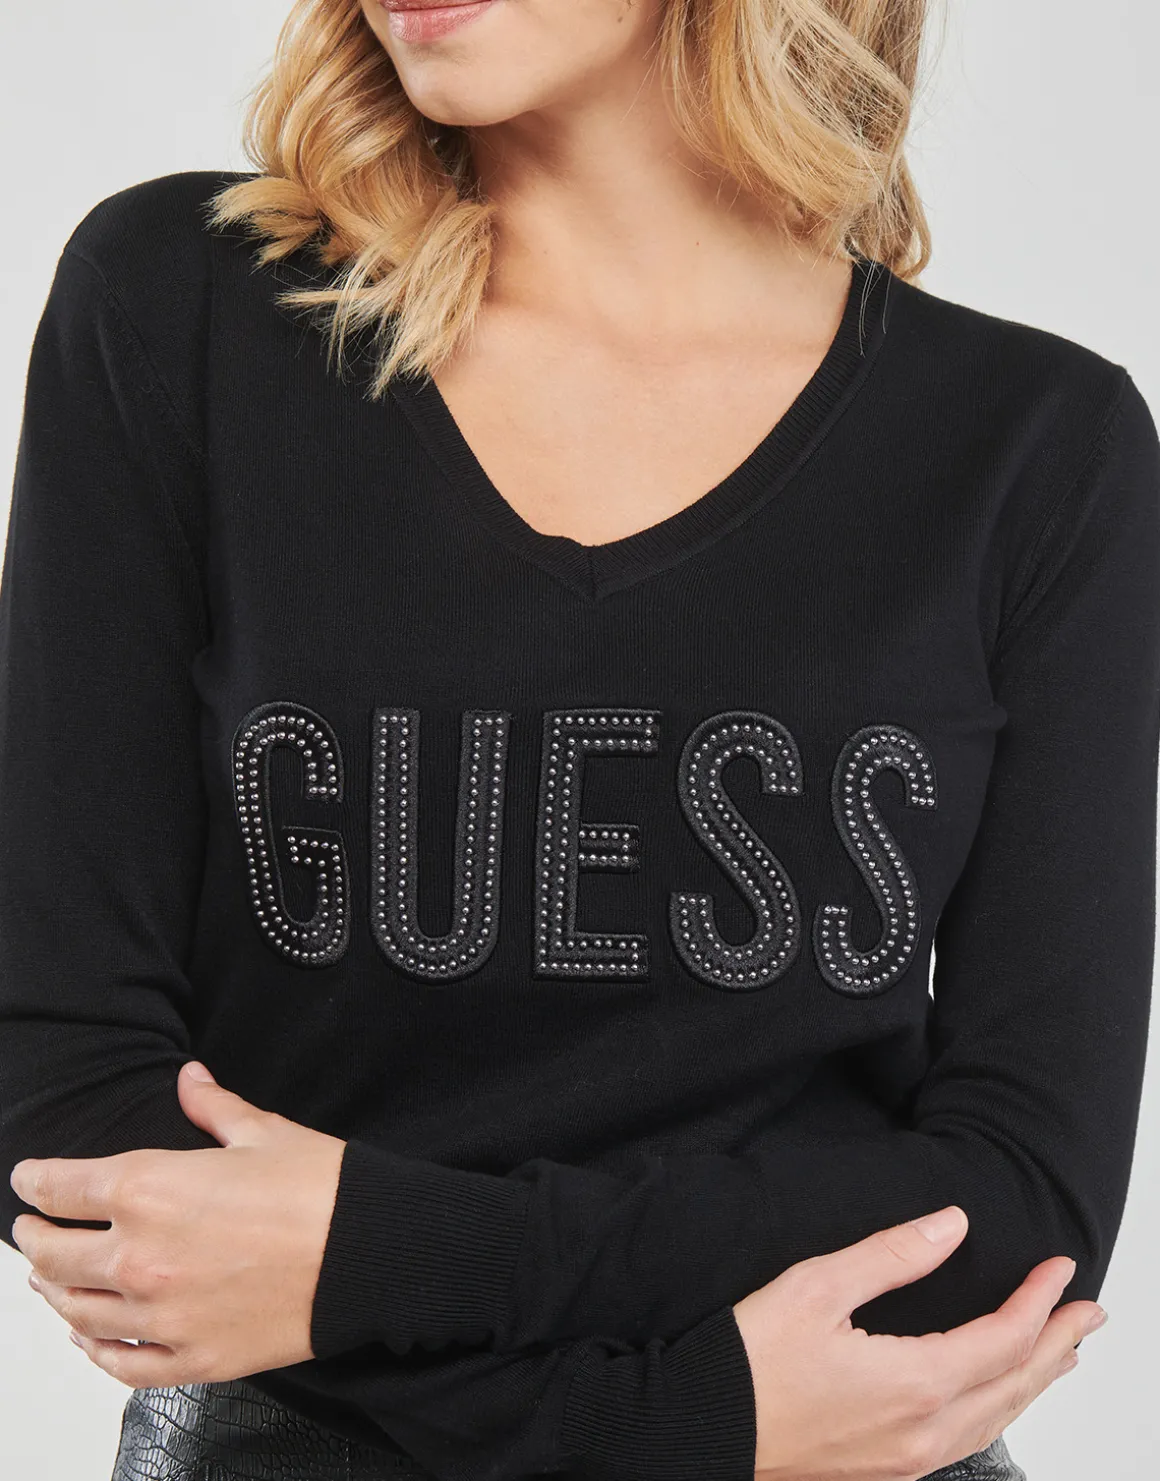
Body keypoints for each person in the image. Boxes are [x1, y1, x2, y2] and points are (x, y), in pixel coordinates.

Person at [0, 0, 1154, 1478]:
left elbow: (1016, 1219)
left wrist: (373, 1251)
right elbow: (74, 1116)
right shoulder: (187, 308)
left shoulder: (1036, 449)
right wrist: (678, 1423)